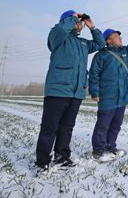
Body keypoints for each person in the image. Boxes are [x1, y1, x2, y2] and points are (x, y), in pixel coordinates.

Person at [35, 10, 106, 171]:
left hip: (76, 92)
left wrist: (92, 27)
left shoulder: (83, 43)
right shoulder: (58, 38)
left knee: (67, 127)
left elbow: (100, 44)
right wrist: (73, 17)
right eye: (76, 21)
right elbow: (60, 29)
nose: (79, 23)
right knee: (50, 127)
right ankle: (42, 160)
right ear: (67, 21)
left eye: (80, 22)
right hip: (58, 90)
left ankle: (62, 157)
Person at [89, 23, 128, 162]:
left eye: (120, 36)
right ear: (108, 40)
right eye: (117, 36)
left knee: (116, 125)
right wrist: (94, 92)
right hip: (107, 97)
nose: (120, 39)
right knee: (103, 125)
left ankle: (110, 146)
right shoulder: (101, 56)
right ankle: (98, 151)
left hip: (122, 96)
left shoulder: (125, 53)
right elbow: (94, 75)